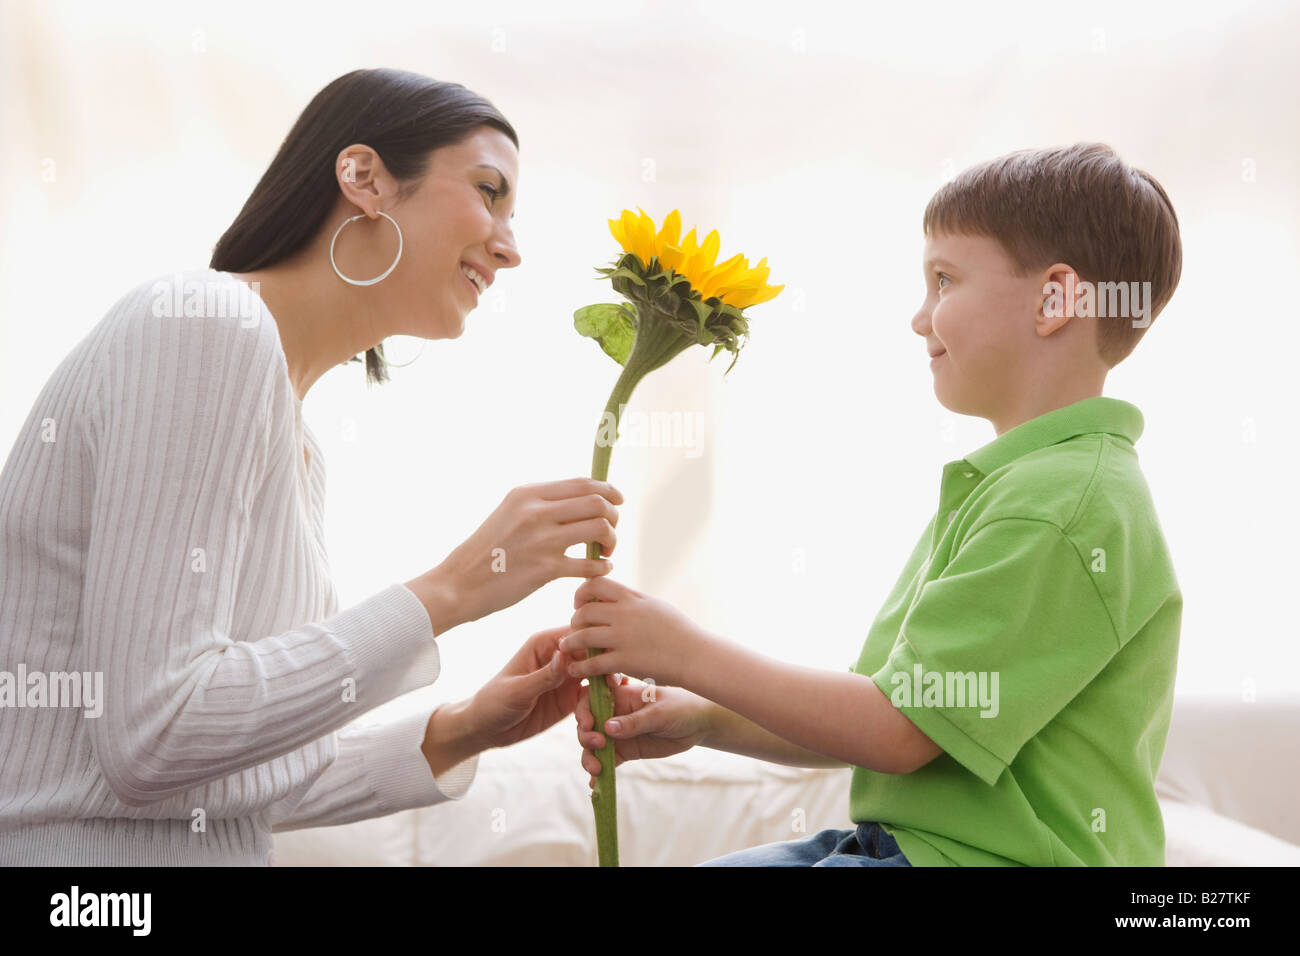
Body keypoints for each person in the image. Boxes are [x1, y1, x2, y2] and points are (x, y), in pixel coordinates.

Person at [0, 68, 613, 865]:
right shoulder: (206, 324)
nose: (511, 245)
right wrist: (450, 591)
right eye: (489, 191)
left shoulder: (296, 439)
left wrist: (464, 729)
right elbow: (153, 737)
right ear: (363, 178)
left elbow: (224, 778)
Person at [572, 143, 1184, 866]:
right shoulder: (1025, 485)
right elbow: (892, 715)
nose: (920, 318)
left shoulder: (1060, 505)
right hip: (902, 848)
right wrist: (707, 719)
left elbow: (896, 732)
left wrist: (687, 654)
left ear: (1055, 300)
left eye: (945, 280)